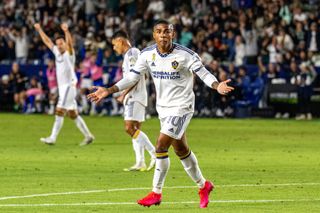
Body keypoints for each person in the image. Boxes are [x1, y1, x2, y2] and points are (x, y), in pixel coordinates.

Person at [87, 20, 234, 208]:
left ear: (173, 34)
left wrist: (217, 85)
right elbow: (132, 77)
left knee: (161, 145)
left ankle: (156, 192)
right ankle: (203, 185)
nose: (163, 35)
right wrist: (108, 90)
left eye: (167, 31)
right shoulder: (147, 55)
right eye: (159, 31)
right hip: (163, 109)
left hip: (182, 107)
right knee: (181, 149)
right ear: (154, 35)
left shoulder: (186, 55)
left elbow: (203, 73)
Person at [34, 23, 94, 146]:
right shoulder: (56, 52)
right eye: (58, 43)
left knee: (59, 111)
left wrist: (66, 32)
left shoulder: (70, 54)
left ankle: (52, 138)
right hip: (63, 88)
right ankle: (88, 136)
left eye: (62, 43)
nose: (59, 45)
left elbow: (70, 45)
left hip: (69, 86)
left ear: (65, 44)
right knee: (73, 114)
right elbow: (47, 41)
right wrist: (39, 29)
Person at [111, 30, 156, 171]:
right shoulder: (133, 54)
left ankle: (155, 154)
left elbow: (134, 77)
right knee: (135, 130)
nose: (114, 48)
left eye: (114, 44)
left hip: (134, 96)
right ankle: (140, 162)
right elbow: (144, 75)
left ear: (120, 41)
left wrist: (124, 93)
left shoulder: (132, 53)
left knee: (129, 128)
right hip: (138, 95)